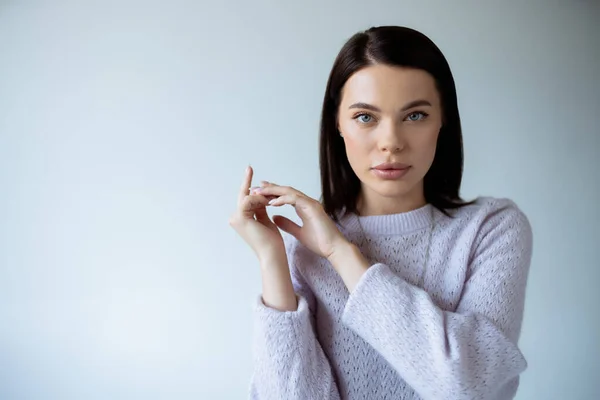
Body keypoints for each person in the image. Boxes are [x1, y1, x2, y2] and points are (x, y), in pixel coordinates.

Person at [229, 25, 533, 400]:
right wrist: (272, 258)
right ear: (337, 124)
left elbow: (467, 386)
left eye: (415, 116)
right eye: (366, 117)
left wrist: (341, 253)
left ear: (443, 120)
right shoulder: (303, 243)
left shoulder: (491, 229)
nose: (391, 142)